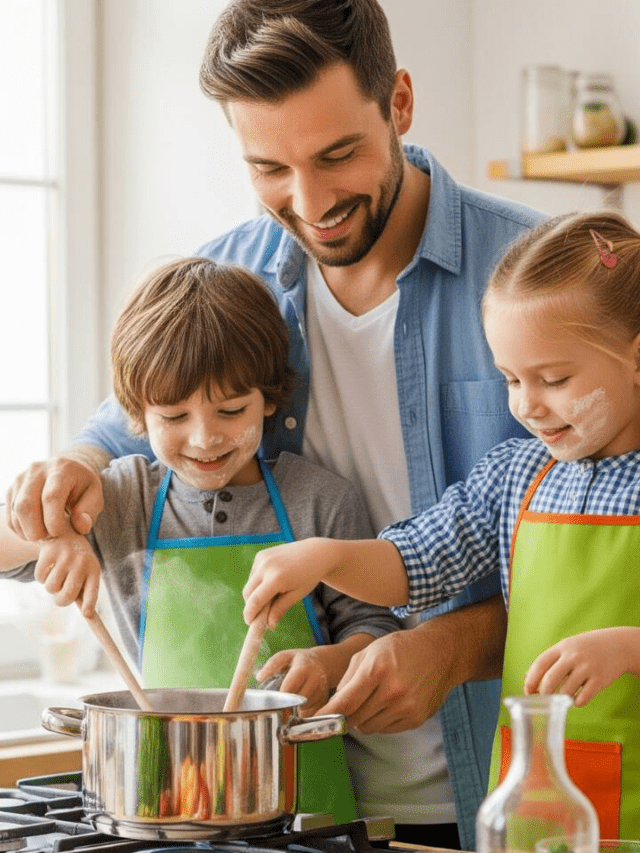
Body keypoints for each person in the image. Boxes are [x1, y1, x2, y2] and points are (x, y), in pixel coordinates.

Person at [4, 1, 548, 846]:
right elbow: (110, 443)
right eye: (268, 168)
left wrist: (451, 648)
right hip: (291, 812)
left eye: (337, 155)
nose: (310, 200)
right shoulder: (228, 283)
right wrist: (64, 494)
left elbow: (608, 549)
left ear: (400, 103)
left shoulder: (535, 280)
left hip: (504, 795)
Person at [242, 210, 640, 839]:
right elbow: (414, 564)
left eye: (554, 379)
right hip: (536, 799)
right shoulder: (516, 475)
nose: (527, 405)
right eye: (510, 379)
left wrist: (626, 649)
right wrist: (325, 557)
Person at [0, 256, 405, 823]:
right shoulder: (122, 498)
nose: (204, 438)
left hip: (301, 804)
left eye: (231, 410)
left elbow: (375, 628)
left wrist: (329, 663)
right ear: (137, 414)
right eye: (173, 416)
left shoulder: (320, 500)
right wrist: (57, 533)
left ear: (270, 398)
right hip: (166, 803)